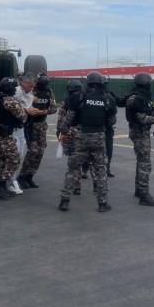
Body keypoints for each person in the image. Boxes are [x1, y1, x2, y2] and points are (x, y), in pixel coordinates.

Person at [58, 71, 117, 213]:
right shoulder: (108, 99)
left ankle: (64, 201)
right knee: (100, 170)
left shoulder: (78, 97)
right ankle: (102, 204)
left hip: (80, 136)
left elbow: (67, 120)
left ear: (88, 82)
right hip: (98, 137)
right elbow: (112, 121)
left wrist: (65, 132)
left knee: (72, 169)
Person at [125, 73, 154, 207]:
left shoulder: (137, 96)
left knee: (141, 162)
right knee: (144, 164)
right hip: (140, 132)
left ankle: (139, 190)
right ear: (145, 84)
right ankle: (144, 195)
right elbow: (142, 118)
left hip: (138, 131)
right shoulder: (139, 98)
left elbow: (147, 111)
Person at [18, 73, 57, 189]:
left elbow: (54, 108)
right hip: (30, 125)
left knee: (40, 152)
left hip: (41, 125)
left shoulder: (49, 92)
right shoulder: (30, 90)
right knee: (32, 151)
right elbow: (19, 104)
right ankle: (22, 176)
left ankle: (30, 176)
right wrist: (28, 110)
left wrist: (42, 112)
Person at [0, 77, 28, 199]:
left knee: (3, 160)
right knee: (14, 159)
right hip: (5, 134)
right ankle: (1, 185)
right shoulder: (10, 101)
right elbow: (23, 117)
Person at [57, 79, 83, 195]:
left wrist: (60, 132)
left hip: (71, 132)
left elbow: (62, 117)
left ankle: (75, 185)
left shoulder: (68, 101)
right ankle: (94, 186)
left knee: (73, 161)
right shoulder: (85, 99)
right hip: (85, 133)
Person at [102, 76, 127, 178]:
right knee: (91, 148)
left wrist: (128, 97)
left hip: (107, 127)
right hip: (95, 126)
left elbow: (120, 103)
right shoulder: (89, 95)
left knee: (108, 148)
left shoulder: (110, 95)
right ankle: (85, 169)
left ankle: (107, 168)